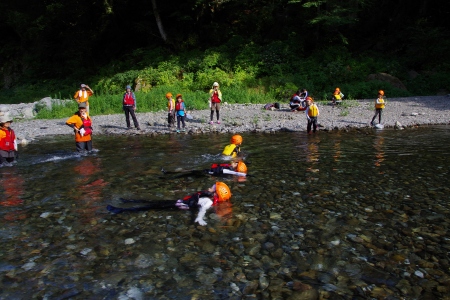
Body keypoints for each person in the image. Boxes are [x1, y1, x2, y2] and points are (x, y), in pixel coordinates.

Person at [106, 182, 232, 226]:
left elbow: (203, 210)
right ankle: (128, 201)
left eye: (213, 187)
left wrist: (199, 218)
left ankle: (121, 210)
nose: (210, 187)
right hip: (178, 201)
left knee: (149, 207)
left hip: (178, 205)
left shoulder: (208, 201)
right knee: (152, 202)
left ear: (215, 194)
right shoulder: (208, 195)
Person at [161, 161, 248, 178]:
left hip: (206, 172)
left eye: (236, 163)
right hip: (207, 173)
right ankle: (169, 174)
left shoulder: (228, 170)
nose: (235, 162)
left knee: (188, 172)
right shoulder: (228, 169)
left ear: (235, 167)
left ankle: (168, 173)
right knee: (188, 173)